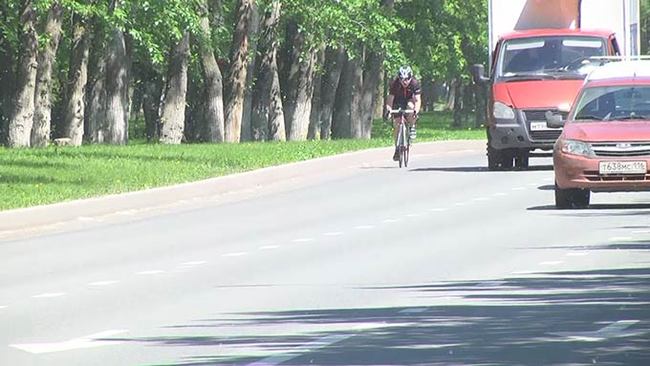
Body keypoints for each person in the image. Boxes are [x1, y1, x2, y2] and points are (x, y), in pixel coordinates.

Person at [385, 66, 421, 161]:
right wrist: (389, 110)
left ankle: (412, 126)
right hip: (398, 101)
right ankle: (397, 147)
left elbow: (417, 100)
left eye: (407, 79)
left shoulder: (414, 83)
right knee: (397, 124)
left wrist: (416, 112)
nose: (404, 82)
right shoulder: (395, 84)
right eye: (402, 79)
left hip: (409, 100)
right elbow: (390, 100)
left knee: (411, 107)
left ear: (410, 77)